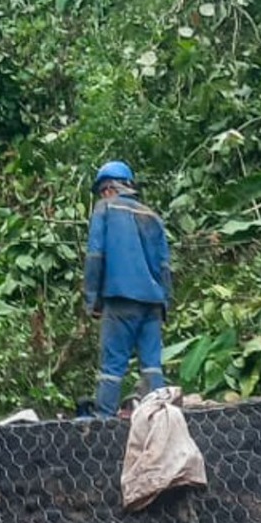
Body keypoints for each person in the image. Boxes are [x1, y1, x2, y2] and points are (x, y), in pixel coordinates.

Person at [84, 161, 171, 419]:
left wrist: (92, 300)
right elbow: (164, 265)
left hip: (120, 298)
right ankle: (161, 418)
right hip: (153, 301)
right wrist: (164, 301)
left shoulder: (105, 209)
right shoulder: (152, 216)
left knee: (112, 366)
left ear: (109, 188)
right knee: (152, 366)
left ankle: (104, 423)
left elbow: (95, 257)